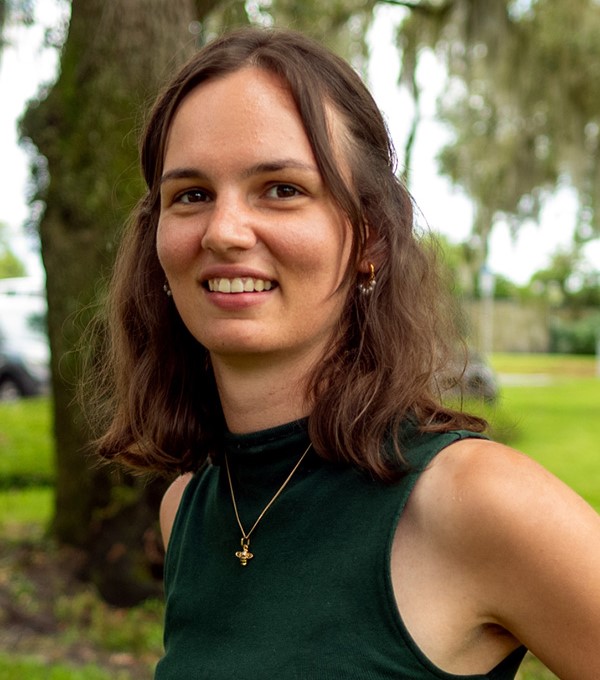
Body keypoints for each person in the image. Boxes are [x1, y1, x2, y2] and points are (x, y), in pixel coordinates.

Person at [91, 26, 600, 679]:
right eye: (191, 195)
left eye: (281, 188)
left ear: (370, 242)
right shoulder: (186, 509)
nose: (223, 231)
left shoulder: (473, 502)